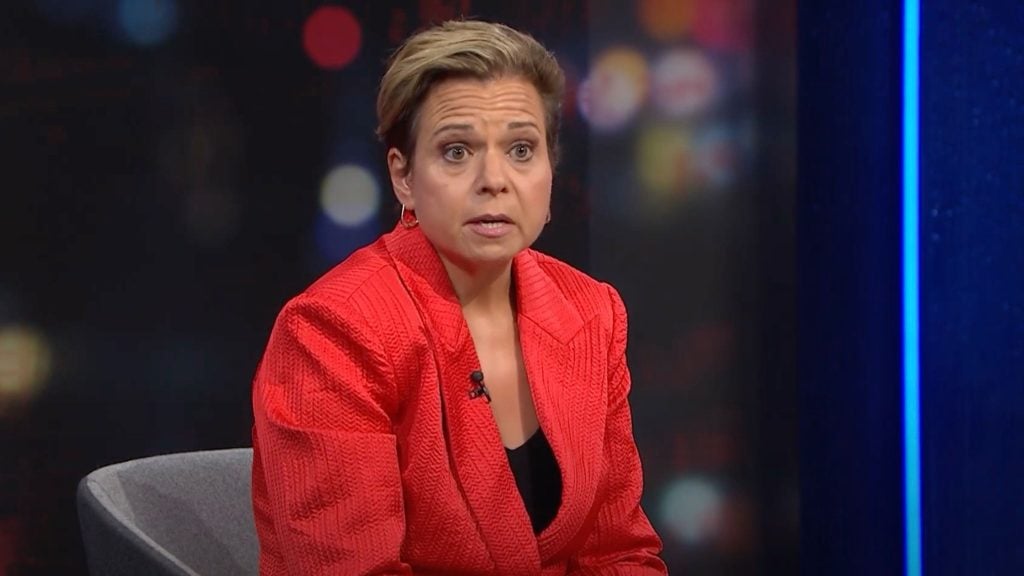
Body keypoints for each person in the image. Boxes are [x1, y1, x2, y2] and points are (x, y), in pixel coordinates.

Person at [251, 19, 667, 575]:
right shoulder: (332, 331)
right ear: (403, 177)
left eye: (521, 148)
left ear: (549, 169)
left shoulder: (591, 311)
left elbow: (618, 551)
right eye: (456, 152)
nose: (494, 179)